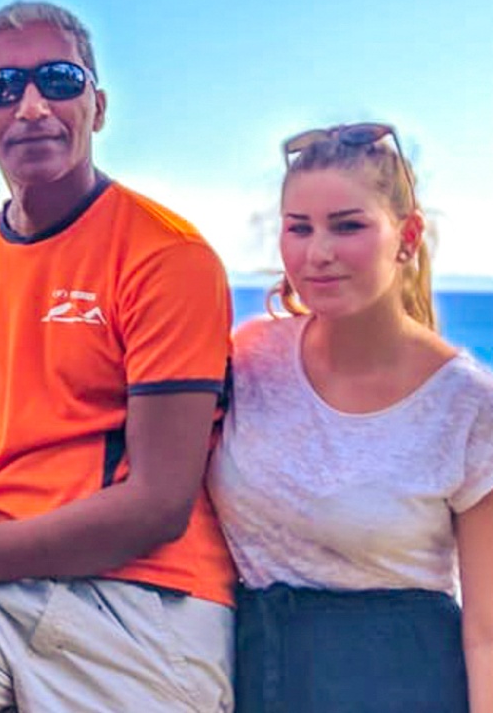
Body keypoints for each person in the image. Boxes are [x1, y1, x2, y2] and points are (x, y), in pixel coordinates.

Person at [0, 1, 237, 712]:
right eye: (2, 88)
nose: (31, 106)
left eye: (58, 81)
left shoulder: (164, 255)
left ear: (98, 104)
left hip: (141, 601)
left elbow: (158, 504)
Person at [209, 122, 492, 712]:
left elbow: (487, 632)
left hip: (401, 687)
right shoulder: (251, 356)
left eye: (348, 226)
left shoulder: (466, 403)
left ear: (407, 236)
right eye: (299, 228)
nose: (318, 253)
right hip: (251, 677)